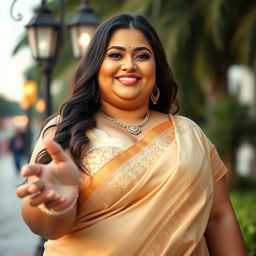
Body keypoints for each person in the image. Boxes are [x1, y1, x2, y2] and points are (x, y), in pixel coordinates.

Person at [16, 13, 246, 255]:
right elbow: (42, 226)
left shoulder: (189, 134)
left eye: (142, 56)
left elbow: (219, 217)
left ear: (156, 68)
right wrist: (56, 205)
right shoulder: (64, 130)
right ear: (95, 67)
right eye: (115, 55)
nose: (129, 64)